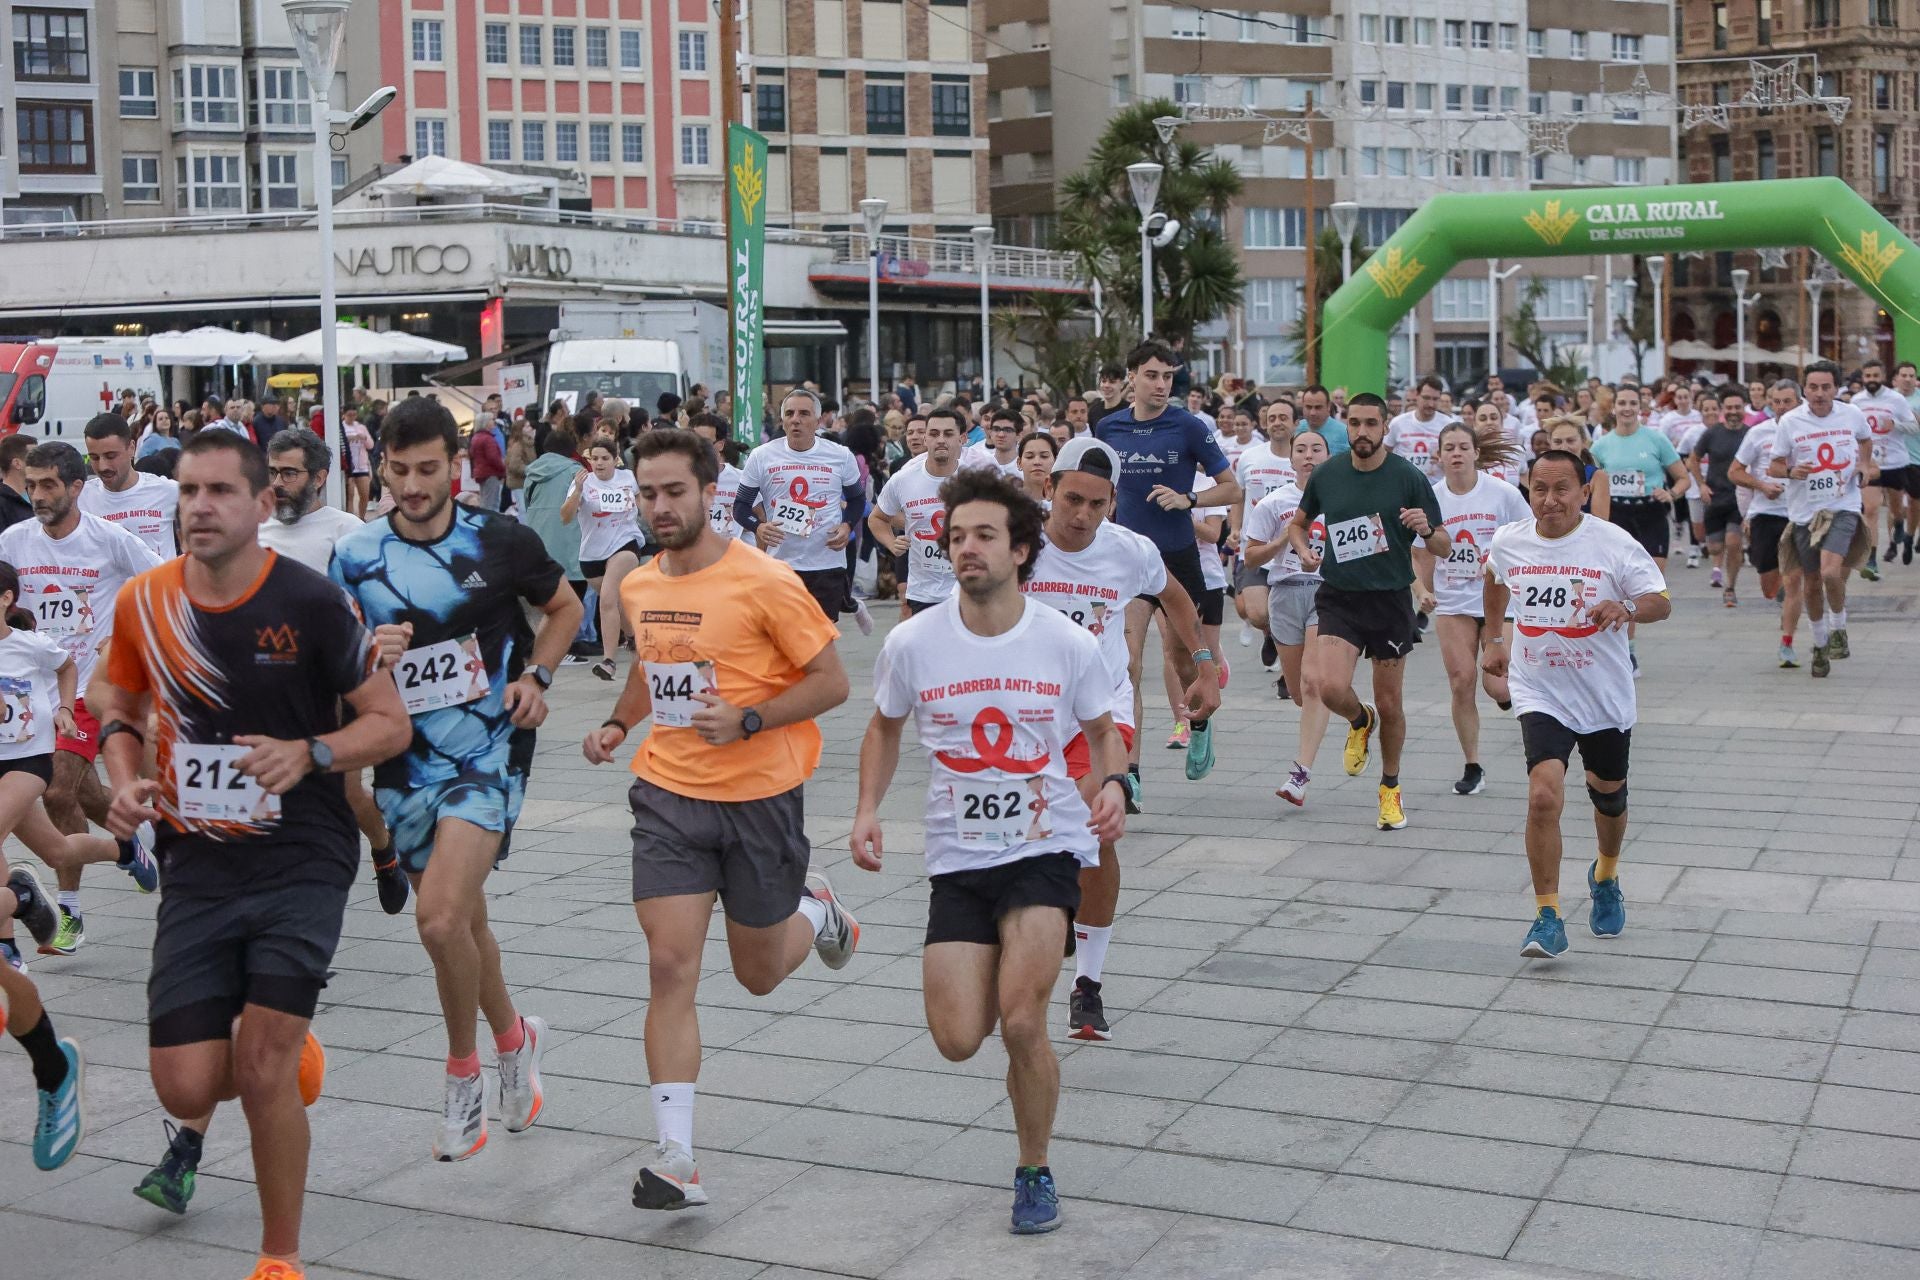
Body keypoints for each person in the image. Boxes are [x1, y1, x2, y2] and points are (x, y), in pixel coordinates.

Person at [96, 429, 413, 1280]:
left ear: (261, 505)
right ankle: (280, 1053)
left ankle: (280, 1258)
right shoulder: (146, 602)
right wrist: (123, 780)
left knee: (263, 1063)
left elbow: (389, 723)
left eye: (219, 492)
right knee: (185, 1087)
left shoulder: (311, 603)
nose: (198, 506)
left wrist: (310, 751)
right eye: (188, 491)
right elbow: (117, 701)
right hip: (196, 859)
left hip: (300, 852)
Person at [580, 428, 855, 1210]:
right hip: (668, 795)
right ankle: (676, 1155)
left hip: (761, 797)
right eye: (647, 493)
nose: (660, 507)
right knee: (670, 967)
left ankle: (818, 908)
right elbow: (651, 665)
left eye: (674, 492)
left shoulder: (765, 582)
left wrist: (752, 720)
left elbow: (831, 681)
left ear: (710, 494)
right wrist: (617, 724)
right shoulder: (636, 583)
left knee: (758, 974)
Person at [852, 467, 1127, 1236]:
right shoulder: (912, 641)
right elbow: (883, 725)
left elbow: (1103, 731)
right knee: (956, 1037)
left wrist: (1112, 787)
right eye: (955, 537)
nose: (964, 549)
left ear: (1021, 549)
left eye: (982, 536)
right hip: (958, 856)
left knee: (1019, 1021)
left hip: (1045, 848)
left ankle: (1034, 1169)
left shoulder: (1064, 641)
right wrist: (867, 808)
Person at [330, 396, 584, 1161]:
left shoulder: (500, 539)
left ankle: (463, 1072)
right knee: (465, 920)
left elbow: (566, 607)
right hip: (403, 756)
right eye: (399, 470)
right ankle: (516, 1041)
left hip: (487, 750)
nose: (412, 485)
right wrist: (371, 651)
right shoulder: (354, 555)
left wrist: (536, 676)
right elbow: (336, 663)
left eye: (427, 470)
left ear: (455, 465)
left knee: (437, 919)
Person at [1024, 438, 1215, 1039]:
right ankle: (1052, 913)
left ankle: (1089, 984)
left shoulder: (1130, 551)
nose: (1082, 515)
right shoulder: (1016, 545)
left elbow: (1177, 599)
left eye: (1097, 504)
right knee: (1031, 839)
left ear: (1113, 504)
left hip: (1099, 713)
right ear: (1049, 489)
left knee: (1091, 830)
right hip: (1026, 716)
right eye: (1072, 499)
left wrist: (1205, 665)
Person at [1483, 449, 1670, 960]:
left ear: (1584, 491)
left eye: (1562, 488)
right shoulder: (1510, 540)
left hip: (1603, 692)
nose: (1550, 500)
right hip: (1539, 687)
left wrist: (1626, 606)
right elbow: (1495, 577)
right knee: (1543, 795)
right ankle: (1547, 916)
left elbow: (1661, 600)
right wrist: (1493, 640)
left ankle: (1605, 874)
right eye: (1539, 488)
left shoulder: (1612, 543)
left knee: (1609, 798)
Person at [0, 442, 163, 955]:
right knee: (75, 799)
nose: (38, 495)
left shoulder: (109, 539)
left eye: (49, 485)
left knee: (56, 790)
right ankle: (124, 844)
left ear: (76, 487)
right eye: (30, 485)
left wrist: (126, 640)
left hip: (88, 686)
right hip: (30, 694)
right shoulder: (14, 541)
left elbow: (163, 582)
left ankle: (65, 911)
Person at [1285, 392, 1448, 831]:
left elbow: (1444, 545)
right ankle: (1360, 718)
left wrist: (1426, 529)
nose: (1361, 432)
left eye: (1370, 424)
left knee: (1392, 702)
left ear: (1385, 426)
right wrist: (1302, 550)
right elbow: (1297, 523)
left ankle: (1390, 788)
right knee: (1328, 686)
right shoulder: (1328, 474)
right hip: (1339, 595)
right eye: (1354, 423)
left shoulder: (1408, 477)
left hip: (1390, 600)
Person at [1094, 340, 1237, 785]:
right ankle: (1129, 772)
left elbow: (1232, 489)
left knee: (1181, 661)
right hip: (1128, 561)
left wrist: (1188, 498)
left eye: (1168, 376)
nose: (1161, 384)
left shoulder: (1188, 426)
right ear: (1130, 377)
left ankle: (1198, 722)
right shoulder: (1108, 428)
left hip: (1176, 558)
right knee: (1128, 665)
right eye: (1152, 375)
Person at [1413, 421, 1530, 796]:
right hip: (1454, 603)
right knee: (1462, 680)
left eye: (1464, 447)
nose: (1457, 454)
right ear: (1439, 455)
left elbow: (1529, 540)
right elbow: (1419, 552)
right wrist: (1422, 591)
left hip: (1501, 600)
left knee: (1496, 686)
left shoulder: (1503, 494)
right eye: (1450, 448)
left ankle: (1509, 696)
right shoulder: (1431, 498)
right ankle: (1473, 765)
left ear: (1477, 453)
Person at [1768, 361, 1876, 677]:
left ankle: (1838, 626)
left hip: (1842, 505)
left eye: (1825, 387)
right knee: (1812, 583)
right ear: (1804, 389)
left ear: (1836, 389)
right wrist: (1790, 472)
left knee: (1831, 574)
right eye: (1813, 387)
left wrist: (1864, 466)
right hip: (1805, 513)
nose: (1818, 394)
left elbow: (1866, 440)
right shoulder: (1790, 422)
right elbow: (1774, 467)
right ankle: (1819, 643)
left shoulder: (1851, 414)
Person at [733, 388, 871, 634]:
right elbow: (740, 507)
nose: (796, 419)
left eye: (804, 413)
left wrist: (847, 525)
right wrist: (759, 527)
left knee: (820, 639)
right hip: (780, 564)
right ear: (782, 420)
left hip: (825, 560)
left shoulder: (839, 456)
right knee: (783, 637)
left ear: (818, 421)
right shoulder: (762, 456)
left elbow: (857, 501)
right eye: (790, 413)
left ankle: (850, 604)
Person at [1242, 432, 1332, 804]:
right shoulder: (1273, 503)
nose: (1308, 456)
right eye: (1301, 450)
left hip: (1327, 594)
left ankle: (1300, 774)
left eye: (1316, 449)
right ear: (1290, 459)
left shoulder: (1342, 500)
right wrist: (1282, 541)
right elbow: (1250, 558)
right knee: (1299, 692)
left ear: (1328, 456)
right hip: (1284, 593)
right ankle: (1358, 712)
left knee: (1314, 684)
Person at [1731, 380, 1804, 667]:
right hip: (1765, 515)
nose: (1782, 407)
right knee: (1769, 585)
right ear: (1770, 403)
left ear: (1799, 402)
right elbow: (1734, 472)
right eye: (1777, 401)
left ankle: (1787, 643)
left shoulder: (1807, 431)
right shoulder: (1758, 433)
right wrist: (1761, 485)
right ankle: (1784, 598)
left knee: (1794, 579)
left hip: (1799, 514)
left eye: (1788, 401)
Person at [562, 437, 646, 682]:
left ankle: (608, 661)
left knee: (608, 598)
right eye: (594, 458)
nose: (599, 463)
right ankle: (634, 640)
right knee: (618, 604)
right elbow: (565, 517)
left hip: (625, 544)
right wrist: (577, 492)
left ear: (615, 459)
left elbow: (645, 506)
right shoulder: (583, 482)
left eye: (604, 458)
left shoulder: (628, 478)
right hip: (592, 556)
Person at [871, 407, 965, 616]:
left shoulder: (976, 479)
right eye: (933, 434)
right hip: (923, 593)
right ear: (925, 439)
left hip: (967, 590)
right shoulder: (904, 479)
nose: (940, 440)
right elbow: (877, 518)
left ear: (962, 438)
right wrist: (891, 543)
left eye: (948, 434)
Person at [1229, 398, 1297, 672]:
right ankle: (1269, 633)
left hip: (1293, 551)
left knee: (1288, 613)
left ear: (1294, 423)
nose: (1277, 422)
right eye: (1272, 417)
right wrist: (1235, 528)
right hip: (1255, 547)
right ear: (1265, 423)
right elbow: (1238, 496)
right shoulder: (1250, 458)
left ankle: (1287, 660)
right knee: (1255, 613)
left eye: (1283, 417)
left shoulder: (1303, 459)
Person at [78, 412, 180, 558]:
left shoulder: (166, 491)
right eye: (94, 458)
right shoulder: (81, 499)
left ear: (131, 448)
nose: (102, 466)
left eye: (111, 456)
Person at [1852, 359, 1918, 580]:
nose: (1871, 380)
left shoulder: (1896, 399)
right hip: (1869, 463)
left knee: (1896, 507)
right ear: (1863, 378)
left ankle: (1899, 522)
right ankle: (1871, 560)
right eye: (1868, 376)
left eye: (1875, 376)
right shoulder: (1856, 401)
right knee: (1870, 509)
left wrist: (1895, 425)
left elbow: (1914, 427)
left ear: (1883, 377)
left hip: (1895, 462)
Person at [1690, 389, 1752, 607]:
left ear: (1745, 408)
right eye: (1729, 408)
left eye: (1738, 407)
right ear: (1723, 410)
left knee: (1733, 542)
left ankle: (1730, 587)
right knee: (1716, 548)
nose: (1734, 412)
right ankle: (1728, 560)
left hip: (1739, 496)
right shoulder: (1712, 433)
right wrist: (1701, 485)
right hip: (1715, 498)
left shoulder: (1751, 433)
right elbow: (1693, 459)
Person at [1385, 375, 1456, 482]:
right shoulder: (1398, 423)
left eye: (1435, 399)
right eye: (1426, 398)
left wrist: (1443, 458)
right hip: (1405, 487)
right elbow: (1384, 453)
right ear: (1417, 396)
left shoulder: (1449, 425)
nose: (1431, 404)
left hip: (1436, 488)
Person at [962, 407, 1025, 477]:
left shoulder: (1026, 467)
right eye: (996, 429)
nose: (1001, 435)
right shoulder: (980, 464)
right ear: (991, 432)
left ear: (1019, 435)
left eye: (1007, 430)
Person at [1298, 385, 1350, 455]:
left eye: (1318, 407)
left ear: (1328, 406)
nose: (1312, 413)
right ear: (1303, 406)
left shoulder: (1344, 433)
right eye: (1308, 407)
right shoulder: (1295, 429)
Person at [0, 433, 35, 530]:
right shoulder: (3, 503)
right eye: (34, 457)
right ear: (17, 463)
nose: (40, 462)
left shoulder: (37, 495)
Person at [1016, 429, 1057, 504]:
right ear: (1019, 463)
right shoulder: (1007, 502)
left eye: (1044, 456)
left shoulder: (1064, 501)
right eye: (1029, 456)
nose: (1037, 462)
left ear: (1056, 460)